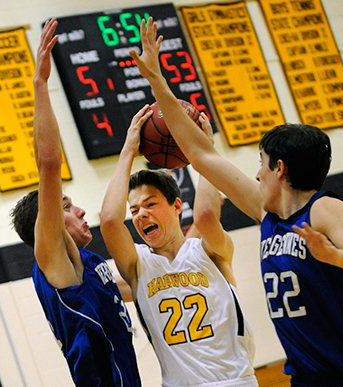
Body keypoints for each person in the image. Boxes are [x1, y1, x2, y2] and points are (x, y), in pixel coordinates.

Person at [130, 17, 343, 387]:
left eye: (262, 164)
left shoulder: (323, 209)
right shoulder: (267, 211)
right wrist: (157, 80)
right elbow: (197, 154)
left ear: (280, 168)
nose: (257, 174)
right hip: (306, 377)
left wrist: (335, 256)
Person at [9, 18, 140, 387]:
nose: (80, 210)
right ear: (46, 226)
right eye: (65, 207)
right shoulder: (54, 258)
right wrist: (40, 84)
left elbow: (132, 290)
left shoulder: (90, 264)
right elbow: (49, 163)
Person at [99, 104, 257, 386]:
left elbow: (207, 215)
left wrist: (205, 149)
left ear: (176, 207)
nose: (141, 214)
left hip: (233, 382)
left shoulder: (209, 251)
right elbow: (110, 221)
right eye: (134, 210)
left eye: (150, 204)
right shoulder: (138, 264)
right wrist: (127, 152)